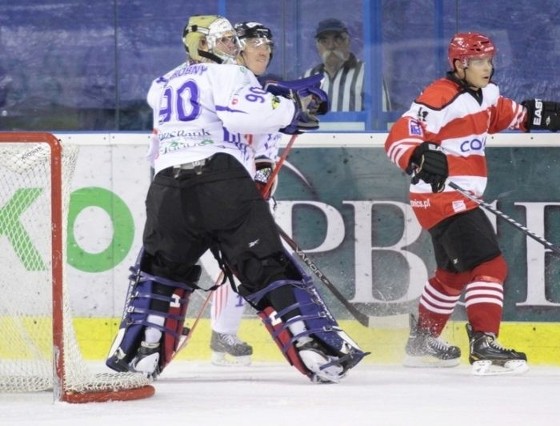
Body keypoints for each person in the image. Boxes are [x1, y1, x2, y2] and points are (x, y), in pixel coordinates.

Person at [106, 14, 367, 384]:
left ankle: (140, 352)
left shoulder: (162, 83)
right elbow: (250, 112)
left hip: (166, 189)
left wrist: (281, 105)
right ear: (204, 45)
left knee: (160, 272)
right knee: (266, 267)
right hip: (220, 181)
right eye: (225, 41)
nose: (234, 48)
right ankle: (315, 348)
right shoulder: (229, 74)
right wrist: (294, 108)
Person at [384, 32, 560, 375]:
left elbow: (503, 114)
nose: (486, 67)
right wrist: (417, 152)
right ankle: (485, 340)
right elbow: (401, 133)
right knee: (490, 267)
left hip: (453, 199)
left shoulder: (486, 94)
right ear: (459, 65)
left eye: (489, 60)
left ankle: (421, 342)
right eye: (478, 62)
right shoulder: (439, 96)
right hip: (443, 197)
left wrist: (534, 116)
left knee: (452, 275)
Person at [208, 21, 280, 367]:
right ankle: (148, 339)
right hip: (207, 189)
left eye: (268, 42)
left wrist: (261, 181)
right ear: (236, 46)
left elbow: (265, 146)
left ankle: (222, 333)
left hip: (238, 192)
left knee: (244, 262)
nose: (264, 48)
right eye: (255, 41)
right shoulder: (221, 81)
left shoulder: (256, 88)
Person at [302, 18, 391, 112]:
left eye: (337, 39)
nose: (331, 46)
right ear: (317, 46)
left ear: (347, 42)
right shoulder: (307, 77)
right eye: (324, 41)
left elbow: (380, 118)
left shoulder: (369, 74)